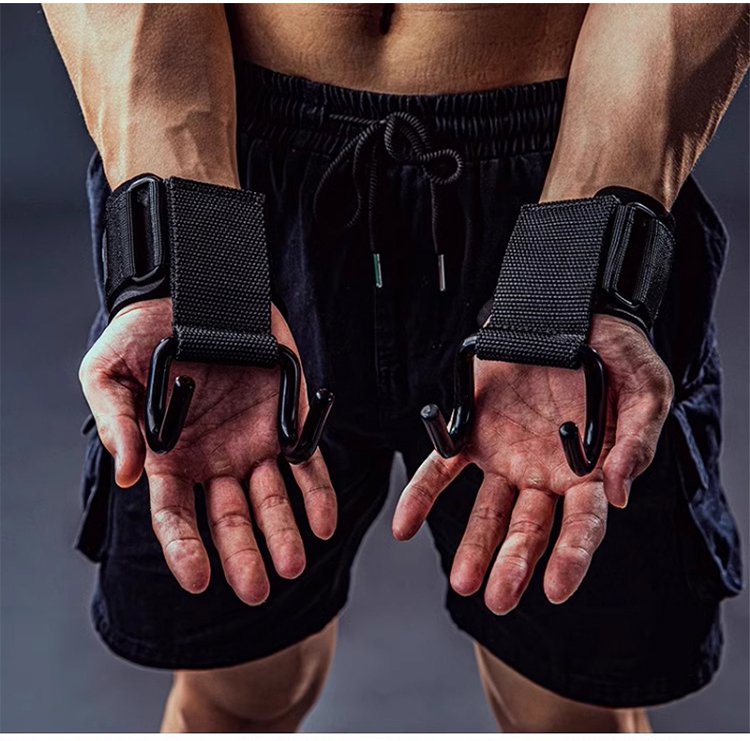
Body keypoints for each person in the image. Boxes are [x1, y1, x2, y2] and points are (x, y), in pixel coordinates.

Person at [44, 3, 747, 733]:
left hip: (571, 177)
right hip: (227, 183)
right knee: (233, 699)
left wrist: (574, 265)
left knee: (572, 715)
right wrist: (196, 248)